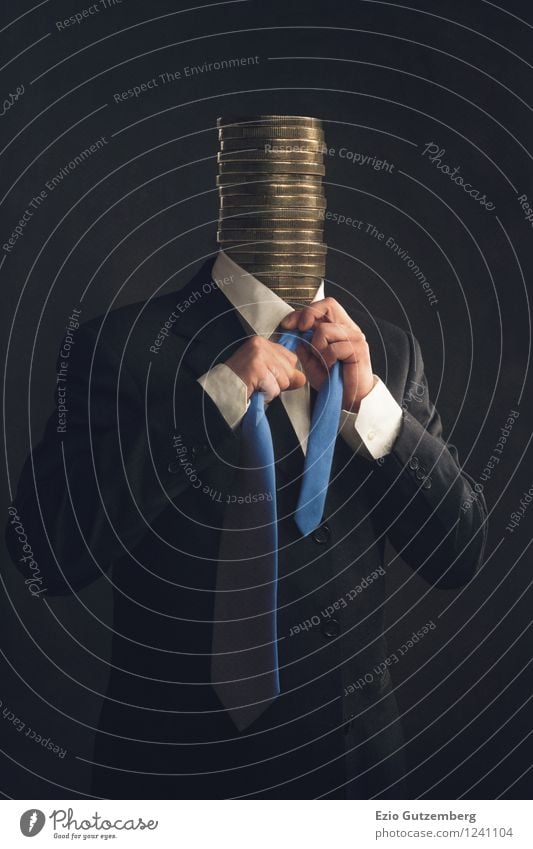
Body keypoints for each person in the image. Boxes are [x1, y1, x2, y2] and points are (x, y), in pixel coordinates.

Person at [7, 248, 487, 799]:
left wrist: (375, 411)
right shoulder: (121, 346)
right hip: (174, 780)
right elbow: (44, 553)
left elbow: (458, 556)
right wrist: (212, 405)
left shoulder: (390, 353)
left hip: (358, 777)